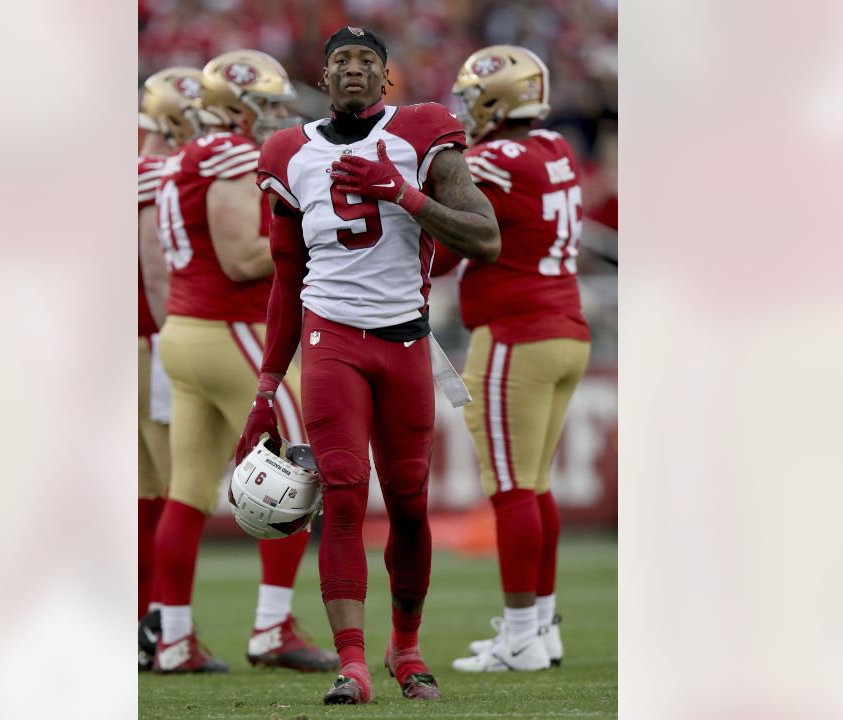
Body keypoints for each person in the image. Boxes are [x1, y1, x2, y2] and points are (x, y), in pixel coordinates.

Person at [235, 26, 501, 704]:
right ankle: (351, 662)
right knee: (345, 495)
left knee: (410, 504)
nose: (353, 70)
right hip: (332, 341)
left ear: (387, 79)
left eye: (367, 61)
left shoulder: (420, 133)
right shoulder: (288, 151)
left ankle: (405, 649)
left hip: (408, 342)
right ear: (323, 80)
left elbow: (485, 236)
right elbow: (286, 277)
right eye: (340, 62)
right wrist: (266, 385)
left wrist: (401, 192)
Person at [149, 52, 337, 674]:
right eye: (269, 104)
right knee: (299, 470)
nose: (279, 116)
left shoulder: (181, 159)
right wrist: (323, 230)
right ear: (233, 106)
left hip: (185, 331)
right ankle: (272, 628)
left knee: (188, 491)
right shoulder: (227, 154)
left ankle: (173, 637)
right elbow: (240, 256)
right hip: (231, 331)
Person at [434, 46, 591, 672]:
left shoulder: (494, 158)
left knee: (510, 486)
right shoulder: (555, 147)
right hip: (566, 329)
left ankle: (522, 635)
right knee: (535, 485)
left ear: (498, 98)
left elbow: (453, 237)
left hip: (516, 334)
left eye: (474, 94)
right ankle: (542, 628)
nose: (467, 107)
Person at [135, 67, 187, 670]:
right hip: (155, 338)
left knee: (148, 491)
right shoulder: (160, 172)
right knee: (182, 488)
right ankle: (164, 624)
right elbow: (155, 268)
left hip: (122, 340)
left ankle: (146, 619)